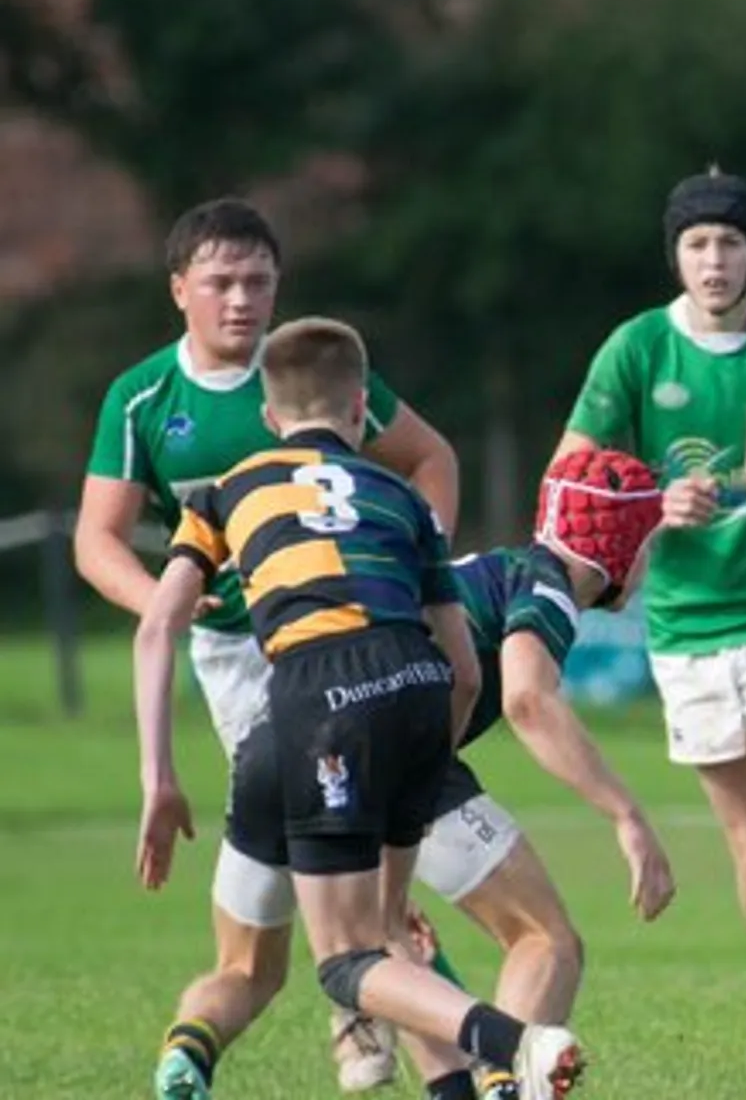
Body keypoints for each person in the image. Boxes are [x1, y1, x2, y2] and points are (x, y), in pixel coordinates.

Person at [133, 318, 583, 1100]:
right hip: (415, 685)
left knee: (337, 961)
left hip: (309, 700)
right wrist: (418, 766)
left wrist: (158, 778)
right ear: (357, 412)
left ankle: (517, 1043)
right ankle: (478, 1074)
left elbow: (158, 625)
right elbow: (466, 670)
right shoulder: (402, 496)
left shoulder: (227, 489)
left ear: (270, 418)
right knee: (375, 936)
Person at [147, 445, 677, 1100]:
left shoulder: (493, 568)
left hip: (279, 735)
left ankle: (187, 1050)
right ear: (617, 545)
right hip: (390, 728)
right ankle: (509, 1076)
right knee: (543, 938)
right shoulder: (544, 584)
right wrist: (627, 816)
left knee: (257, 965)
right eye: (649, 542)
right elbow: (526, 699)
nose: (650, 563)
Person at [75, 197, 461, 1092]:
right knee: (334, 846)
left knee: (363, 852)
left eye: (258, 281)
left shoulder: (303, 377)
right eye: (221, 282)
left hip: (360, 637)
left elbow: (431, 457)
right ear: (180, 290)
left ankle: (364, 1010)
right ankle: (376, 1015)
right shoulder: (143, 399)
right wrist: (171, 596)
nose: (242, 299)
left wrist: (415, 560)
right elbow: (97, 539)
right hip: (242, 656)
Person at [556, 169, 746, 1066]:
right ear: (676, 255)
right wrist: (652, 501)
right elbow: (570, 477)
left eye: (730, 242)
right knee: (745, 839)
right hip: (687, 623)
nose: (715, 258)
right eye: (697, 243)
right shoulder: (639, 347)